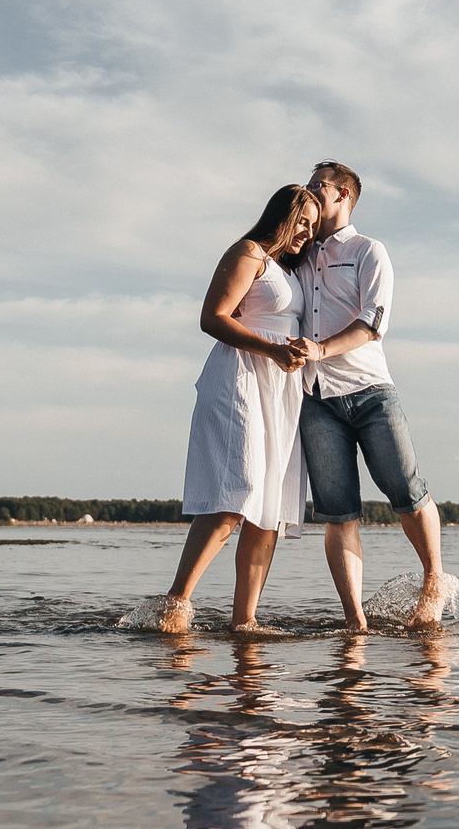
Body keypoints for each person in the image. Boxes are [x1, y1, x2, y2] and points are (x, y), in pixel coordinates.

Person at [151, 183, 321, 635]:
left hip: (281, 392)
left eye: (313, 226)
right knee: (235, 495)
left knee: (269, 510)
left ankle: (244, 621)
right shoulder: (250, 254)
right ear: (281, 216)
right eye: (302, 222)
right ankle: (174, 606)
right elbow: (213, 316)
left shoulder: (288, 270)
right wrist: (271, 350)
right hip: (240, 380)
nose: (307, 232)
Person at [288, 161, 450, 630]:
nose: (310, 191)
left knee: (406, 491)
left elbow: (372, 322)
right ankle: (355, 620)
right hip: (316, 400)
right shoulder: (295, 255)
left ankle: (434, 581)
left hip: (371, 393)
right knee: (338, 513)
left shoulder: (368, 251)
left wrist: (320, 348)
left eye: (318, 185)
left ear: (343, 196)